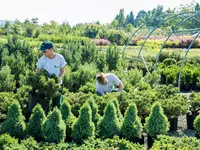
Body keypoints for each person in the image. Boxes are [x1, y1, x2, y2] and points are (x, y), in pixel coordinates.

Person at [29, 41, 67, 112]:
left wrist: (59, 79)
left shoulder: (60, 58)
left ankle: (56, 117)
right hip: (45, 87)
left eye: (44, 51)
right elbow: (37, 73)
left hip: (57, 85)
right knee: (45, 106)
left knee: (57, 104)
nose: (43, 53)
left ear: (51, 49)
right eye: (42, 51)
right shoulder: (42, 59)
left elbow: (63, 71)